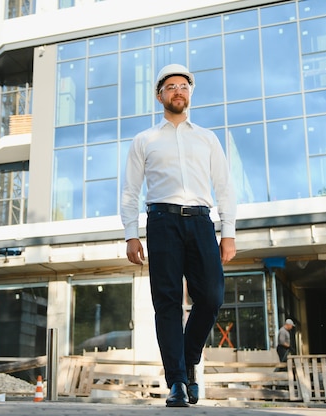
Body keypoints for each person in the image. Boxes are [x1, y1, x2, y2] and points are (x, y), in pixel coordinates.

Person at [120, 64, 237, 407]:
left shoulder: (207, 138)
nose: (178, 91)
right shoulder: (145, 140)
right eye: (171, 86)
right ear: (160, 96)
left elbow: (224, 187)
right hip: (161, 222)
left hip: (201, 221)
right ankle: (177, 383)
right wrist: (131, 233)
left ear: (190, 93)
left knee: (212, 298)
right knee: (167, 303)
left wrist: (227, 232)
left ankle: (188, 362)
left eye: (183, 86)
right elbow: (130, 191)